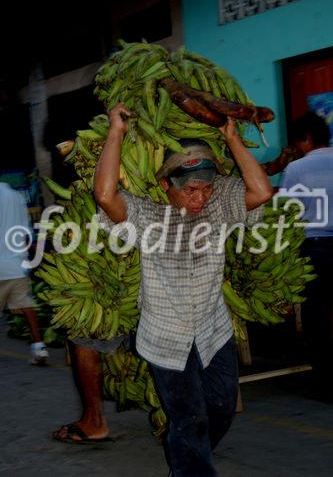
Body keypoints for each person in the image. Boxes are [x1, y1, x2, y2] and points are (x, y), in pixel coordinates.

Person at [91, 102, 273, 476]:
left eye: (206, 188)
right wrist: (116, 133)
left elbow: (261, 192)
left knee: (221, 408)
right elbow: (106, 197)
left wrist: (233, 139)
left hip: (212, 330)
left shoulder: (219, 206)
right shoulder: (147, 216)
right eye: (190, 190)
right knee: (189, 419)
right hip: (165, 336)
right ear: (166, 186)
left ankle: (186, 457)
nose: (199, 197)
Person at [279, 111, 333, 397]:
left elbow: (286, 212)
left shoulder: (297, 168)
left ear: (306, 139)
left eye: (297, 143)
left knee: (317, 317)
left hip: (316, 247)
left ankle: (325, 383)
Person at [0, 181, 49, 364]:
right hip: (17, 263)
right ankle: (40, 348)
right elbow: (27, 234)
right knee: (27, 305)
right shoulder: (18, 197)